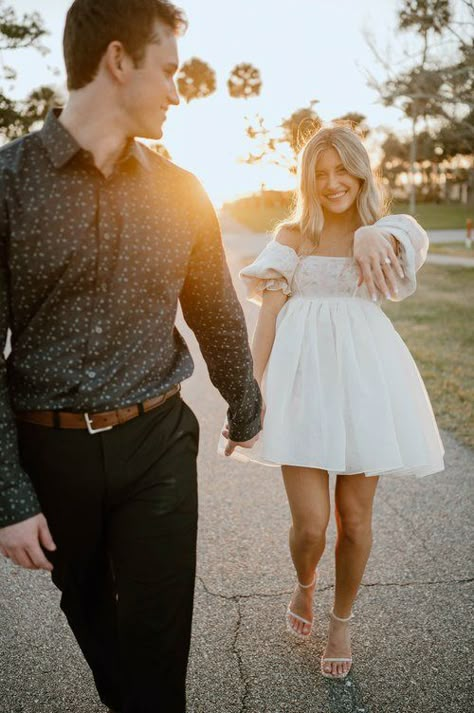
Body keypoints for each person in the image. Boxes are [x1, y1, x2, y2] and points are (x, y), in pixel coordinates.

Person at [0, 1, 261, 711]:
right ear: (118, 60)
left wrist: (245, 401)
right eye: (169, 71)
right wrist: (11, 495)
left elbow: (214, 309)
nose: (179, 91)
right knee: (95, 621)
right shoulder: (9, 184)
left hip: (158, 443)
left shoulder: (183, 190)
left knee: (157, 634)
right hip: (52, 455)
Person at [221, 125, 444, 680]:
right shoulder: (292, 237)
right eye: (320, 173)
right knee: (311, 526)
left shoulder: (384, 235)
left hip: (363, 388)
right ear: (306, 180)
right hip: (300, 392)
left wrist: (378, 230)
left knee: (355, 519)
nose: (332, 182)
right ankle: (305, 585)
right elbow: (267, 326)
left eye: (342, 169)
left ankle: (341, 620)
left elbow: (415, 233)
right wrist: (244, 402)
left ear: (361, 170)